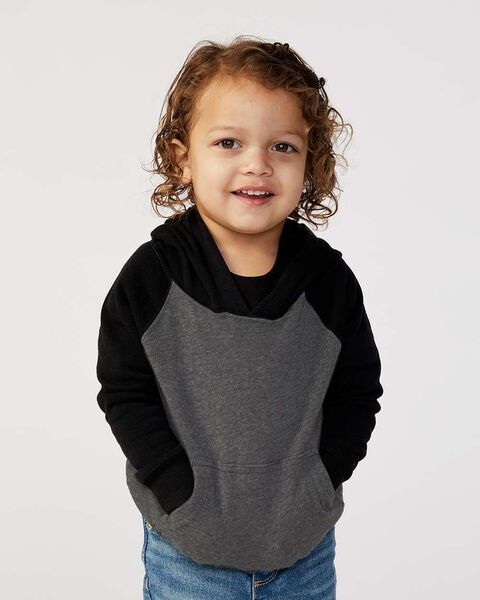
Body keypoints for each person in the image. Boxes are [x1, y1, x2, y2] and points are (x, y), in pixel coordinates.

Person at [96, 35, 384, 600]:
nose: (257, 164)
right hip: (187, 558)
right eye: (229, 142)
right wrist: (178, 492)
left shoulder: (329, 283)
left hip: (304, 555)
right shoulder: (151, 278)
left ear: (310, 162)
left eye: (283, 146)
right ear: (182, 158)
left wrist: (320, 483)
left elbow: (357, 392)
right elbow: (125, 391)